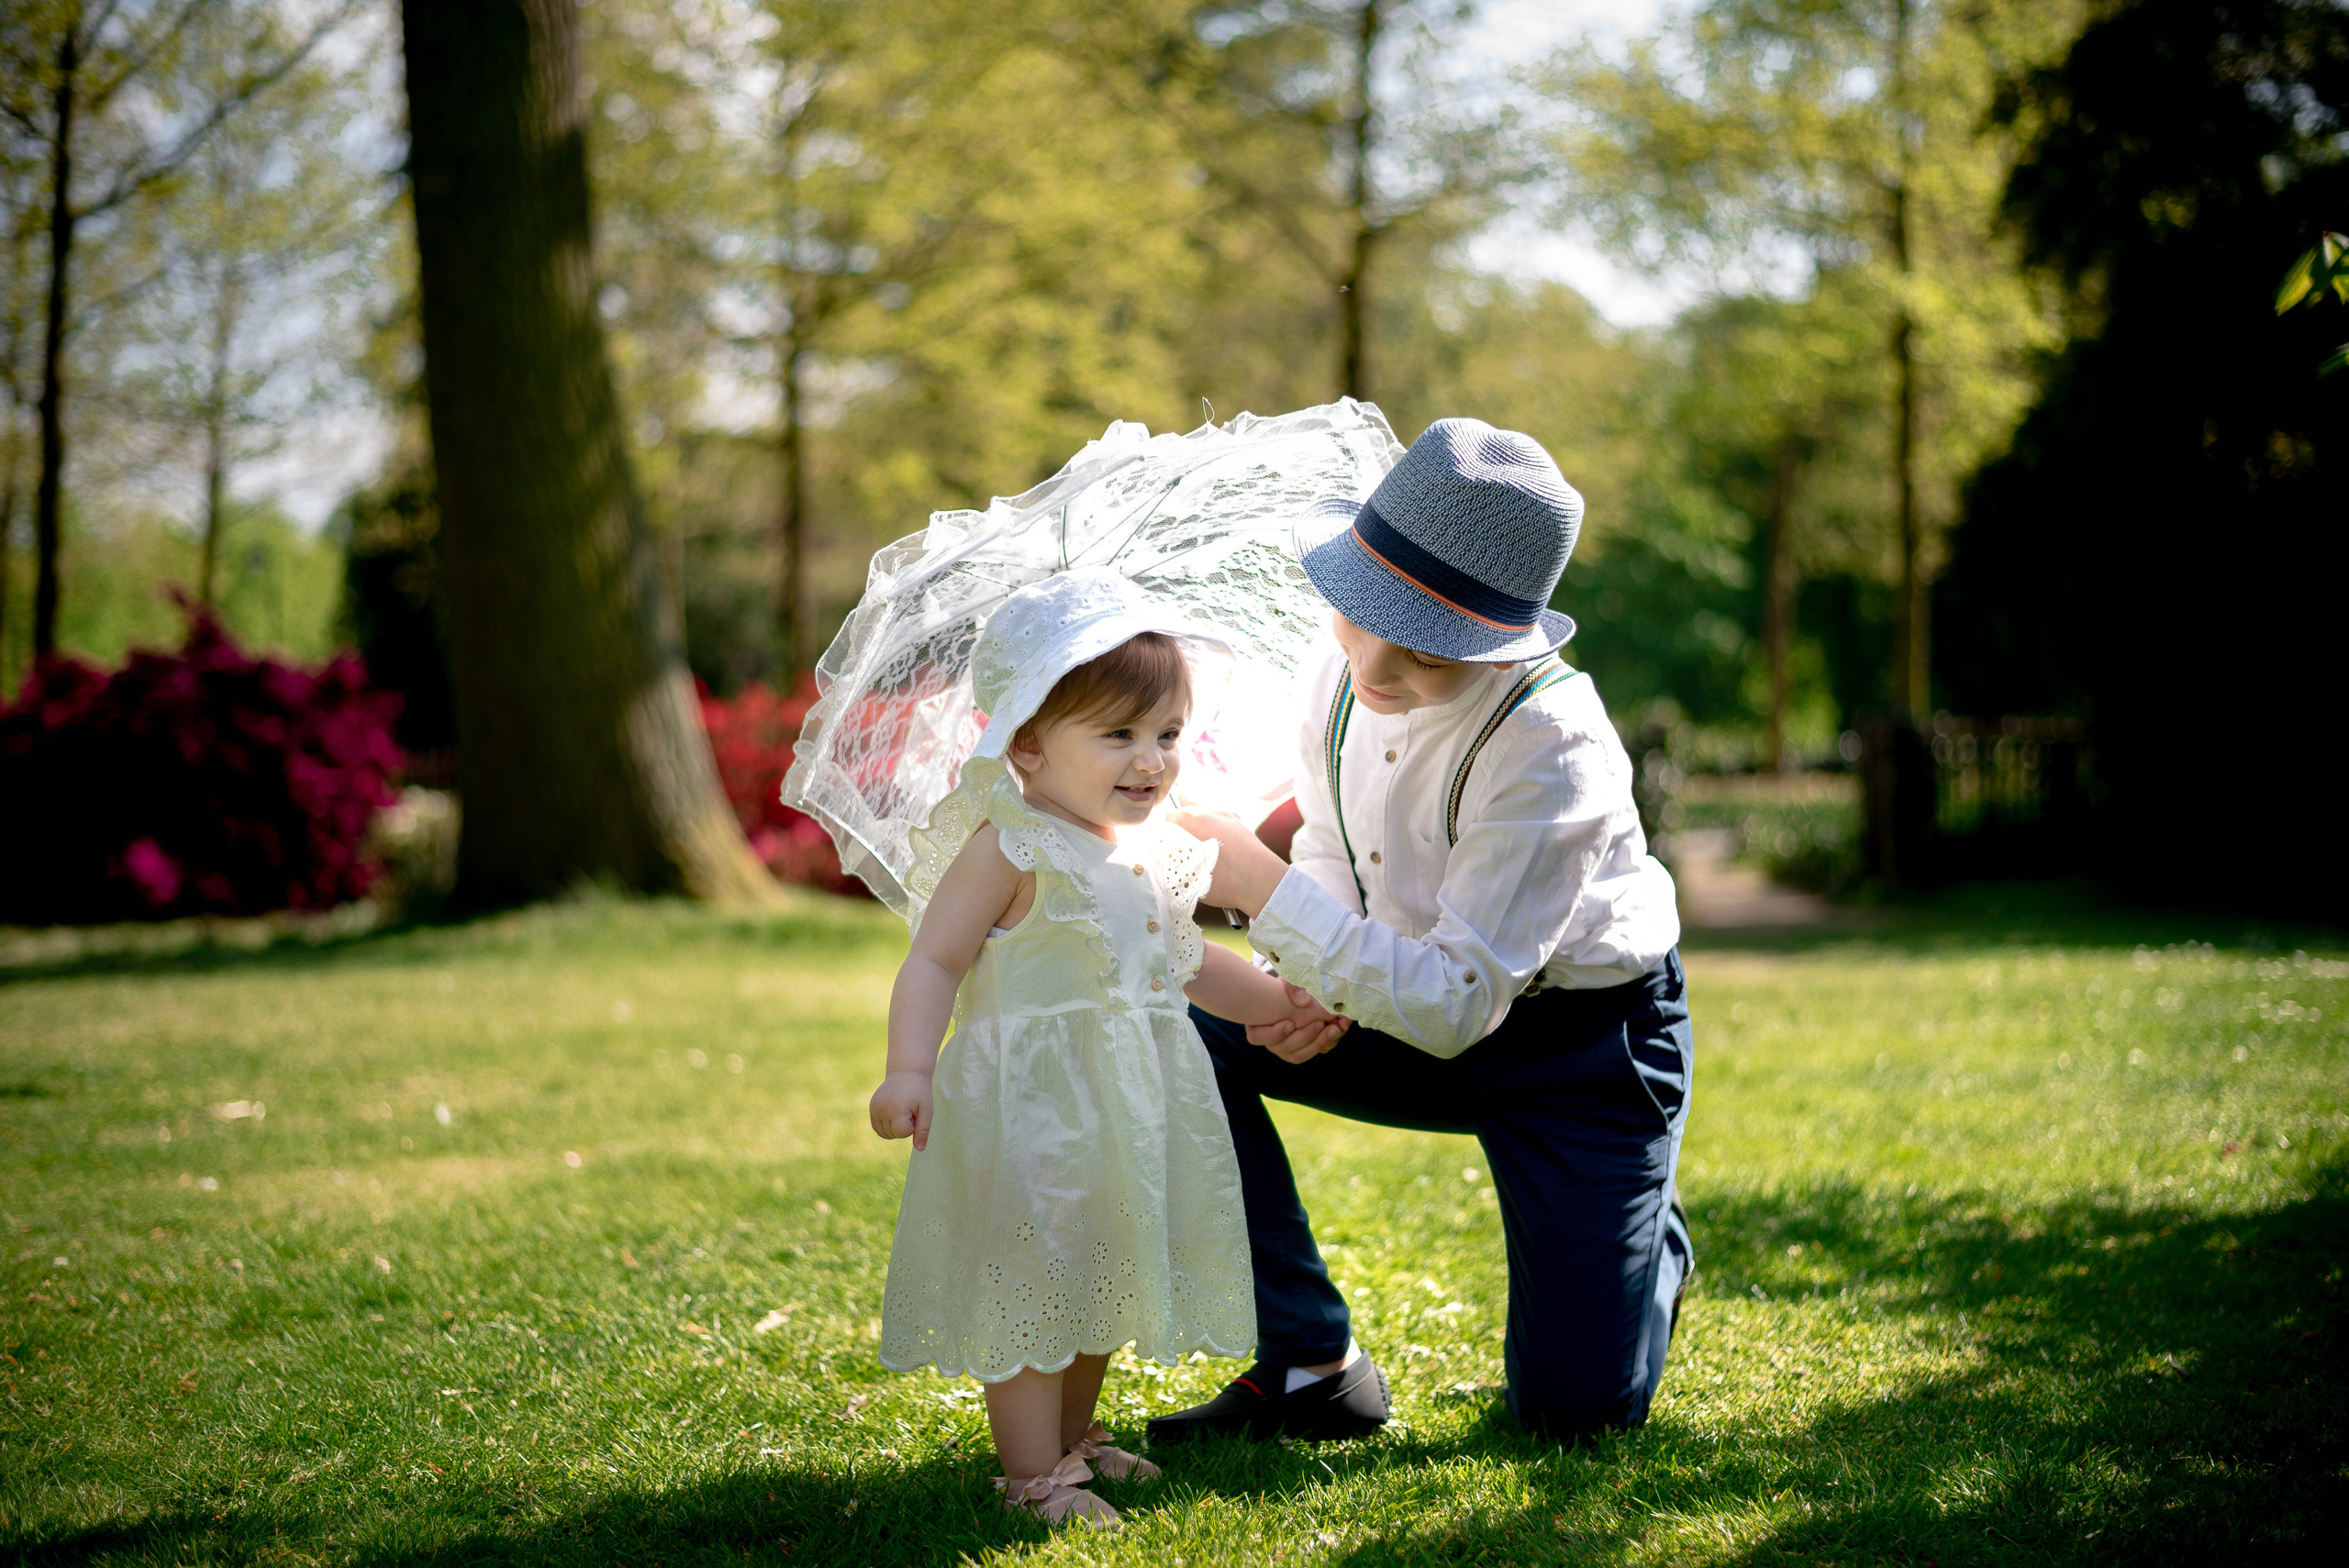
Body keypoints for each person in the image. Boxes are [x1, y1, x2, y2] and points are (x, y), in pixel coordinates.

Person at [1154, 417, 1695, 1444]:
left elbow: (1453, 1005)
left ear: (1500, 644)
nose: (1383, 666)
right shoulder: (1336, 669)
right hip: (1394, 995)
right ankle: (1311, 1363)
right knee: (1165, 1021)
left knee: (1573, 1417)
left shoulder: (1553, 745)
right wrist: (1292, 974)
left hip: (1580, 1051)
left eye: (1429, 650)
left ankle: (1640, 1234)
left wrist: (1263, 894)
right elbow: (1332, 841)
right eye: (1366, 619)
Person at [867, 571, 1343, 1527]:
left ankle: (1072, 1440)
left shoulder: (1149, 848)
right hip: (1035, 1106)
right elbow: (934, 960)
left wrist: (1271, 1005)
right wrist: (908, 1068)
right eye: (1117, 734)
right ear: (1029, 746)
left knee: (1100, 1273)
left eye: (1166, 733)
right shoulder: (1010, 846)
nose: (1151, 759)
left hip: (1129, 1102)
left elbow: (1185, 960)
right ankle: (1030, 1473)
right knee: (1036, 1277)